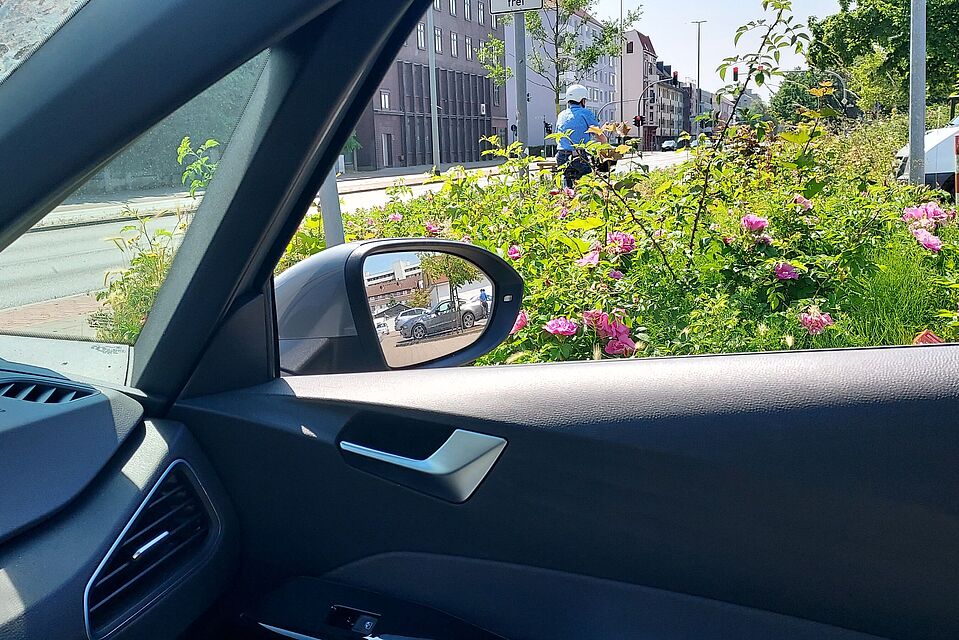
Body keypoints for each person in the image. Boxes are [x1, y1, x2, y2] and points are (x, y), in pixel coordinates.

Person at [555, 84, 607, 187]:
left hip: (561, 156)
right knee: (586, 184)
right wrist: (605, 147)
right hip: (579, 156)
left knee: (568, 185)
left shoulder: (561, 115)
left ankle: (567, 196)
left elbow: (558, 137)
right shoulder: (585, 113)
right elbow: (599, 135)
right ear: (582, 100)